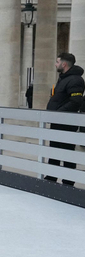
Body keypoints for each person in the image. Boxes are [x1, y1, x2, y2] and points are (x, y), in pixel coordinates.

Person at [45, 52, 84, 185]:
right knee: (54, 149)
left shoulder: (75, 80)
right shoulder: (63, 78)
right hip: (57, 121)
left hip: (66, 122)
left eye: (57, 62)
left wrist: (59, 114)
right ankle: (51, 177)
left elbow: (75, 101)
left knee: (67, 151)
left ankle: (68, 181)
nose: (55, 64)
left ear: (64, 64)